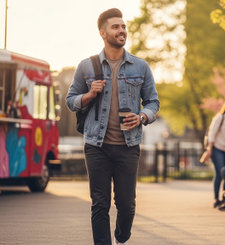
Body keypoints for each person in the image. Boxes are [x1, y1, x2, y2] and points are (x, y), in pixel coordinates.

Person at [65, 8, 159, 245]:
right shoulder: (87, 66)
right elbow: (70, 101)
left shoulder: (140, 66)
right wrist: (88, 95)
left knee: (126, 205)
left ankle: (121, 238)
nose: (122, 31)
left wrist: (143, 117)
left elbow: (153, 102)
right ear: (102, 32)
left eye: (123, 26)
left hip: (128, 146)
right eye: (116, 27)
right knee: (99, 203)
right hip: (96, 145)